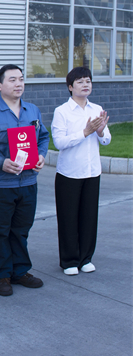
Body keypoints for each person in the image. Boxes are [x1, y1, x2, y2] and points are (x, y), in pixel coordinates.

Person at [0, 65, 48, 296]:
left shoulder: (32, 110)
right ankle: (1, 275)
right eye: (12, 80)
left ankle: (20, 271)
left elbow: (43, 137)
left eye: (21, 79)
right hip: (0, 185)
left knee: (21, 230)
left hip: (28, 182)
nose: (19, 84)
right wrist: (1, 162)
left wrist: (41, 156)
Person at [51, 67, 111, 276]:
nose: (85, 85)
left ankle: (86, 258)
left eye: (88, 81)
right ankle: (69, 260)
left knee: (89, 217)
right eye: (80, 82)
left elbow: (106, 140)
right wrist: (85, 132)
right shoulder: (62, 111)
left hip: (92, 172)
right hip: (69, 173)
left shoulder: (97, 109)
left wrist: (100, 131)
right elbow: (59, 142)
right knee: (68, 218)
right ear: (70, 87)